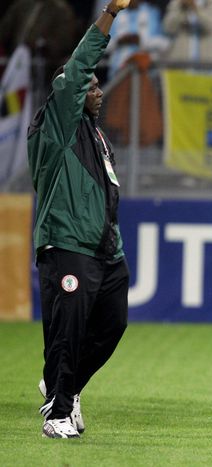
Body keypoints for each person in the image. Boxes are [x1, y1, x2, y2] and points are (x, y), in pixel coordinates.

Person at [29, 0, 132, 439]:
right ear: (67, 92)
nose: (98, 91)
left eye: (98, 86)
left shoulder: (96, 136)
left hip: (105, 248)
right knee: (68, 331)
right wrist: (110, 14)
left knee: (113, 324)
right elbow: (78, 69)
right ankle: (57, 414)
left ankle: (62, 387)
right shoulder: (58, 127)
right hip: (68, 243)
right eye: (89, 87)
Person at [162, 0, 212, 65]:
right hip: (180, 61)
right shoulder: (177, 2)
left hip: (208, 62)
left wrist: (195, 8)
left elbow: (211, 26)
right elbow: (168, 28)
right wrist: (181, 10)